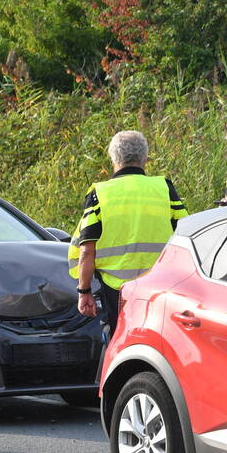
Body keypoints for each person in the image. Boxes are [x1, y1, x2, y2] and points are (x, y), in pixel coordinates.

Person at [69, 131, 188, 334]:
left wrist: (84, 291)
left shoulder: (100, 193)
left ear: (113, 159)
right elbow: (185, 233)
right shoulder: (164, 188)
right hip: (158, 288)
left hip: (116, 292)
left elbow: (87, 250)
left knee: (120, 341)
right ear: (145, 158)